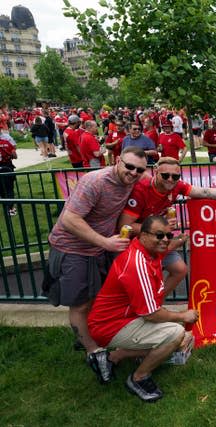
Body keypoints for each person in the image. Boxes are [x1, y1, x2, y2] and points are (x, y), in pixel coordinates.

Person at [45, 146, 148, 377]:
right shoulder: (95, 181)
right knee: (80, 304)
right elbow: (70, 218)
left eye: (139, 170)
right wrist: (104, 242)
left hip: (99, 248)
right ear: (117, 160)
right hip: (72, 248)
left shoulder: (134, 180)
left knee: (97, 299)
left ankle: (87, 338)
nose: (133, 173)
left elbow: (165, 183)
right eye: (129, 166)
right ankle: (93, 351)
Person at [87, 215, 199, 402]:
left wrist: (180, 239)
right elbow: (151, 314)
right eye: (159, 235)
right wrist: (183, 315)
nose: (164, 240)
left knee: (175, 339)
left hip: (124, 318)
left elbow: (168, 247)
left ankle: (113, 357)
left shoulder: (151, 251)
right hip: (110, 326)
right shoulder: (137, 264)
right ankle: (138, 378)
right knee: (175, 334)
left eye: (168, 235)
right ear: (143, 235)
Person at [117, 156, 216, 293]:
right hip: (136, 243)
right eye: (165, 175)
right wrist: (160, 227)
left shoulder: (176, 186)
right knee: (141, 279)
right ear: (156, 171)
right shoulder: (141, 190)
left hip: (158, 239)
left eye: (175, 176)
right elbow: (125, 226)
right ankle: (143, 307)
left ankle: (155, 304)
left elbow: (204, 192)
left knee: (180, 270)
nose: (170, 179)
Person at [0, 130, 17, 216]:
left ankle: (6, 206)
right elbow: (14, 154)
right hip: (7, 166)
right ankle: (10, 209)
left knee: (2, 189)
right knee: (9, 189)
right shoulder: (6, 142)